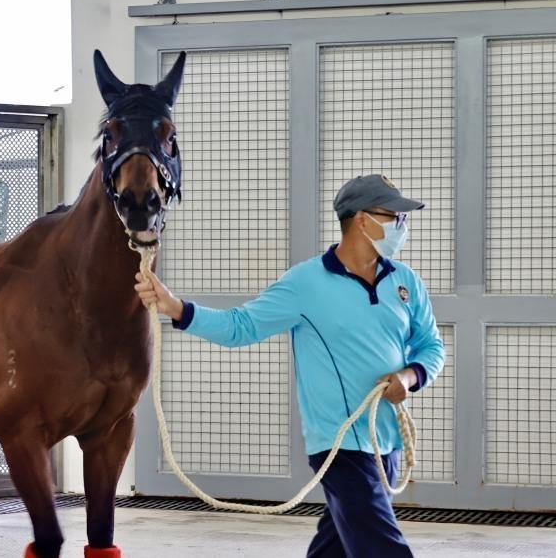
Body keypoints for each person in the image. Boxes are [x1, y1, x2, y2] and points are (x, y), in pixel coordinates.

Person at [135, 174, 446, 558]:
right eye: (393, 216)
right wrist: (177, 308)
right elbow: (241, 326)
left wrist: (410, 376)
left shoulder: (405, 282)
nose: (402, 225)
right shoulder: (305, 283)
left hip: (387, 442)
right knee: (381, 548)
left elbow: (431, 346)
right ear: (362, 220)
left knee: (336, 544)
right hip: (338, 445)